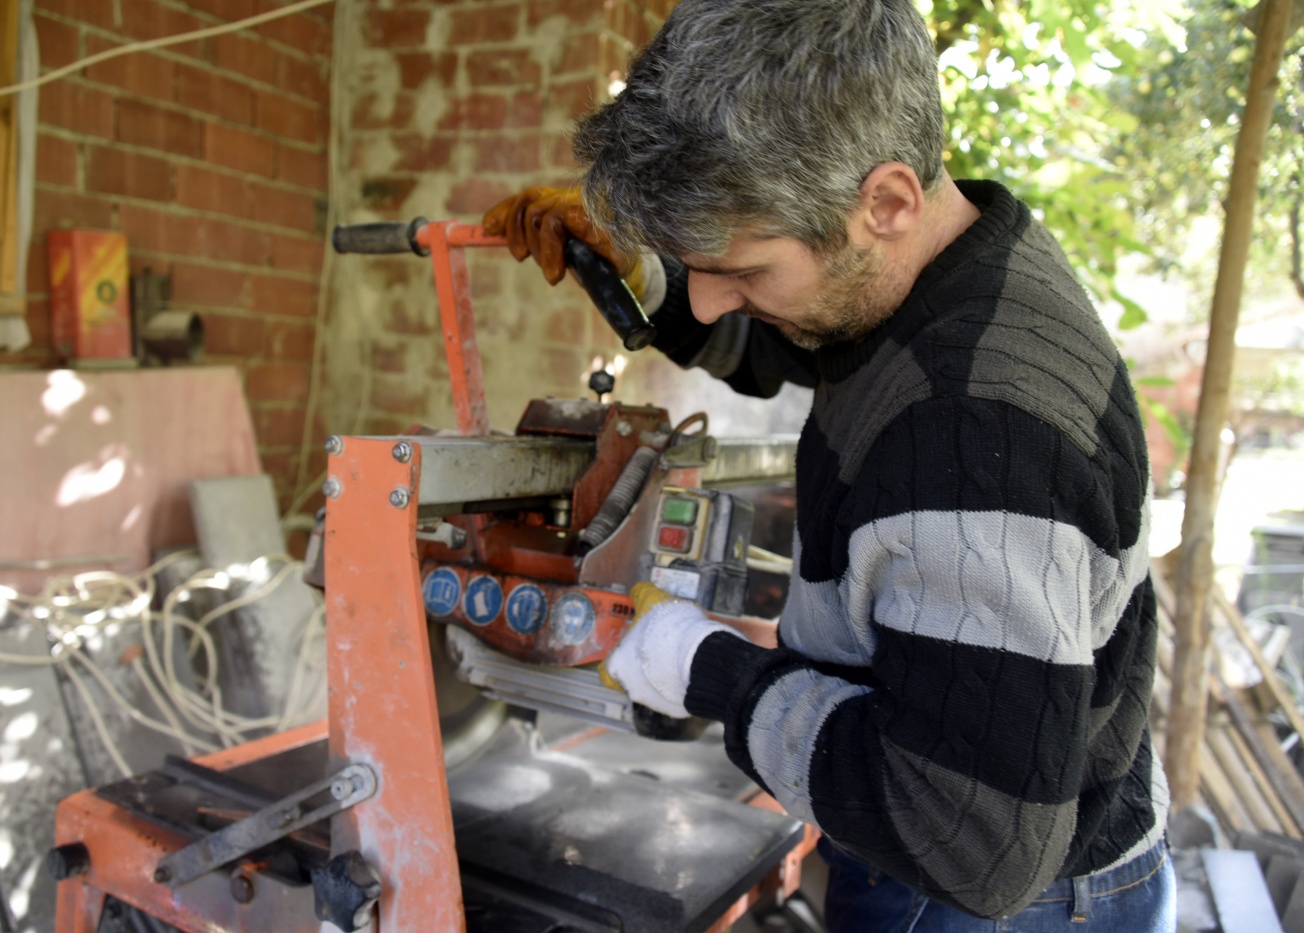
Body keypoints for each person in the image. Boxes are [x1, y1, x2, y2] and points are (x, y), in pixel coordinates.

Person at [483, 0, 1175, 928]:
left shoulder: (973, 430)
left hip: (987, 898)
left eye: (746, 269)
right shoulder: (938, 264)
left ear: (884, 202)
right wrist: (650, 275)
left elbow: (970, 838)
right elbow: (800, 339)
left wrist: (715, 674)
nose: (711, 296)